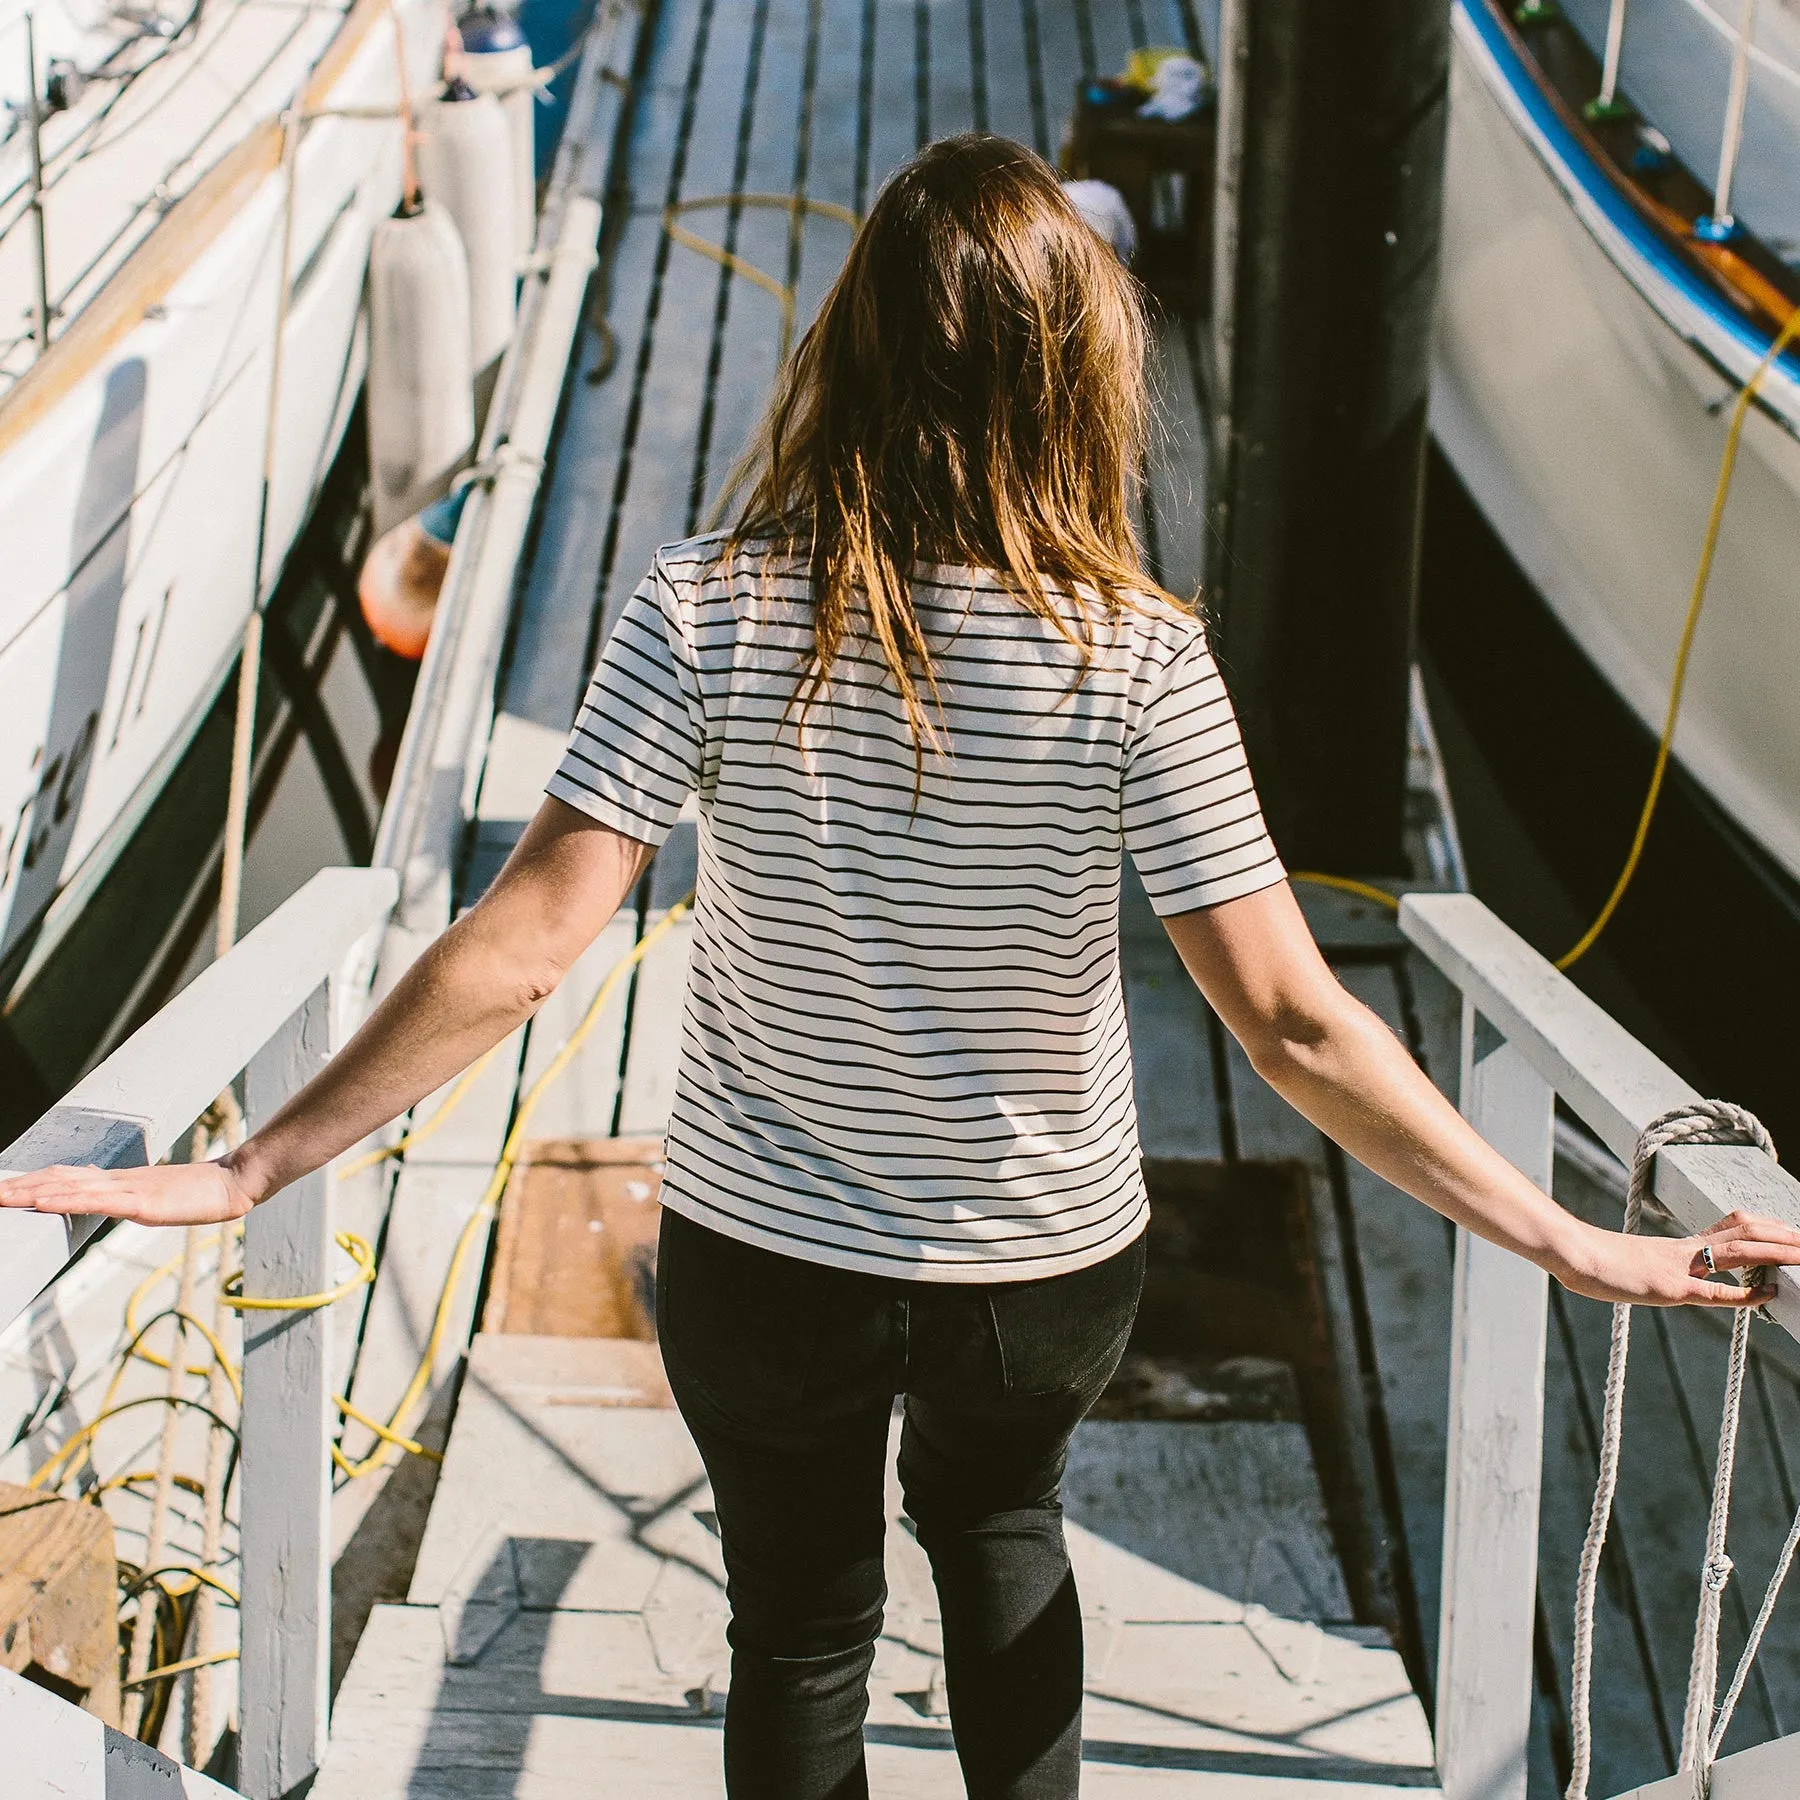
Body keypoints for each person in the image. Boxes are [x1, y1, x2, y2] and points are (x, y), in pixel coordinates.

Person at [5, 134, 1797, 1800]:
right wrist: (1568, 1236)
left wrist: (254, 1164)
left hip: (763, 1251)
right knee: (1006, 1540)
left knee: (796, 1630)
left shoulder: (702, 606)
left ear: (849, 351)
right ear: (1079, 370)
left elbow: (526, 941)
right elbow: (1294, 1018)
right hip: (1036, 1259)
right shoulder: (1136, 662)